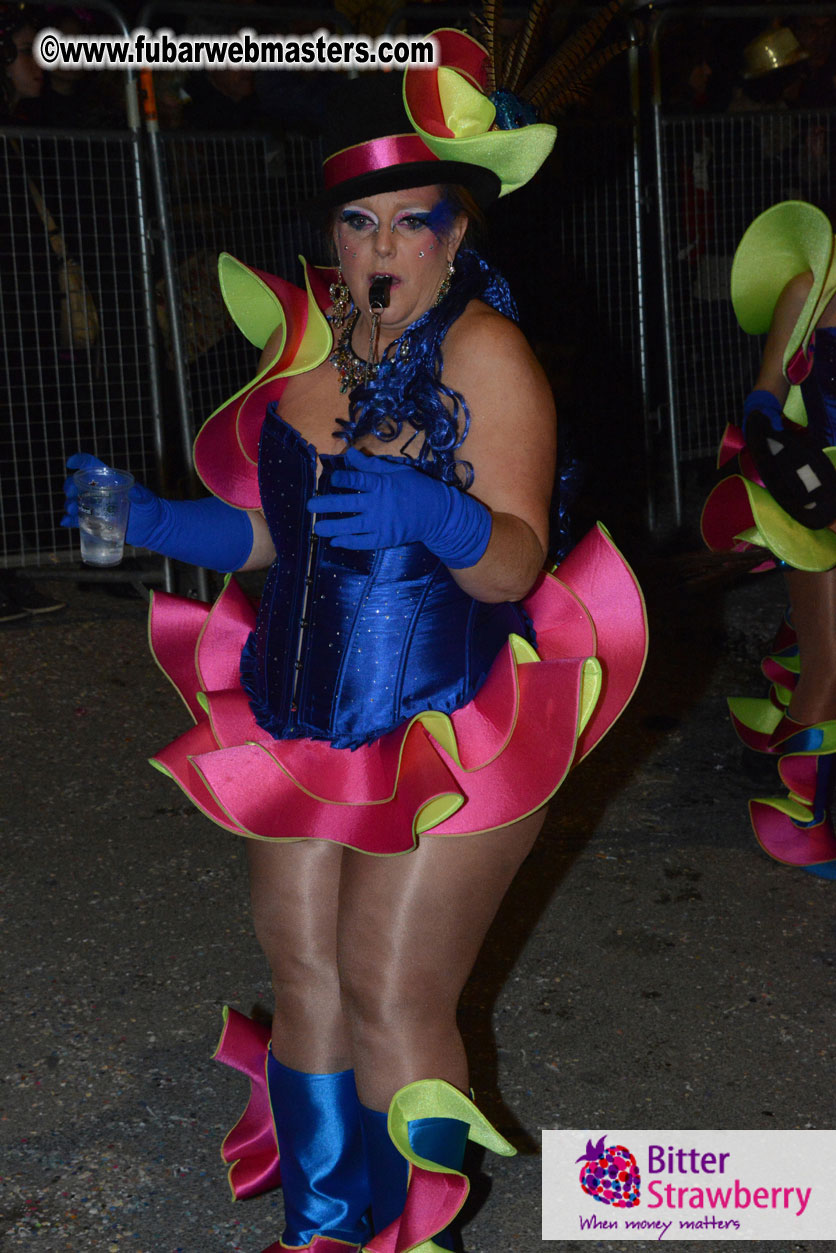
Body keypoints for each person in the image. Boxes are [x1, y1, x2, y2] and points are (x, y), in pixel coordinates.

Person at [62, 29, 647, 1253]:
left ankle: (409, 1237)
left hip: (455, 719)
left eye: (410, 222)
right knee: (307, 974)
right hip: (303, 718)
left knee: (388, 986)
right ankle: (331, 1223)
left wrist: (435, 508)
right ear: (328, 240)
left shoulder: (489, 357)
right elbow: (274, 544)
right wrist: (160, 518)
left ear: (456, 233)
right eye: (358, 225)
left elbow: (513, 558)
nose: (382, 249)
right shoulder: (308, 371)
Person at [702, 199, 836, 882]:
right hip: (821, 502)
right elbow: (764, 401)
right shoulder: (810, 287)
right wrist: (789, 466)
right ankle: (805, 815)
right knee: (830, 663)